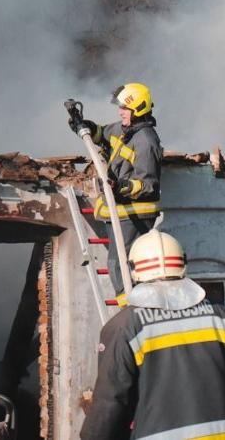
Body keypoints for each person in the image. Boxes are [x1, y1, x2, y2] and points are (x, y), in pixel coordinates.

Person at [80, 230, 225, 439]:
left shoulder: (125, 326)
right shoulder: (221, 317)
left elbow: (110, 403)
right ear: (182, 264)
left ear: (134, 270)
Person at [69, 82, 163, 295]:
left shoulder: (146, 141)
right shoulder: (125, 130)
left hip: (134, 215)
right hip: (119, 212)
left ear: (137, 110)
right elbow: (101, 134)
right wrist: (82, 125)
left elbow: (148, 185)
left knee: (120, 265)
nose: (120, 112)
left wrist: (120, 186)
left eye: (124, 108)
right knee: (117, 264)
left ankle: (131, 310)